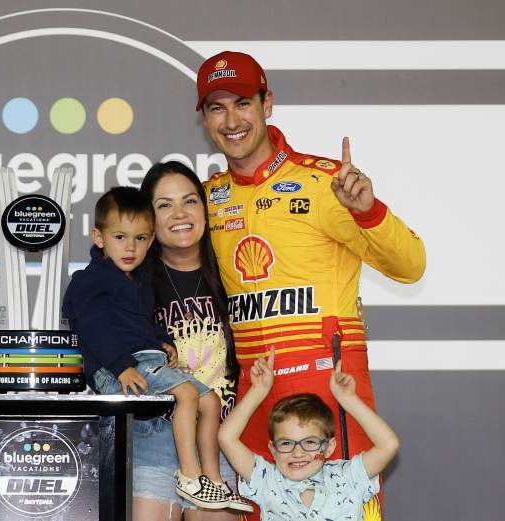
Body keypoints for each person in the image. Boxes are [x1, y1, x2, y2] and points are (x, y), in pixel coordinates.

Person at [195, 50, 426, 515]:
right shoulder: (208, 198)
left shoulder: (325, 184)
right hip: (255, 387)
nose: (231, 120)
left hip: (327, 380)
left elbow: (411, 266)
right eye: (217, 107)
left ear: (268, 103)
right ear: (203, 118)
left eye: (243, 102)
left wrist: (367, 211)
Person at [62, 186, 230, 510]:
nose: (130, 247)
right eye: (120, 237)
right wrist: (120, 366)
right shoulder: (89, 280)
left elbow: (139, 324)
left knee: (210, 400)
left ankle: (212, 478)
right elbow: (93, 330)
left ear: (151, 240)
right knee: (188, 395)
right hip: (117, 370)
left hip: (147, 361)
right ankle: (190, 476)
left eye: (140, 239)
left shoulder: (136, 281)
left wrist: (162, 341)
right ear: (99, 238)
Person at [132, 162, 252, 520]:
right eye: (164, 205)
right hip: (153, 440)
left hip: (220, 448)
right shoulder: (132, 283)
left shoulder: (235, 272)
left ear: (205, 208)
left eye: (190, 201)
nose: (179, 214)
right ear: (147, 218)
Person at [219, 347, 399, 520]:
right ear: (272, 449)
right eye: (286, 443)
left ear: (329, 447)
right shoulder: (267, 480)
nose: (297, 453)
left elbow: (389, 445)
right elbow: (226, 438)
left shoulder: (348, 476)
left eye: (310, 442)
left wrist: (349, 400)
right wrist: (257, 391)